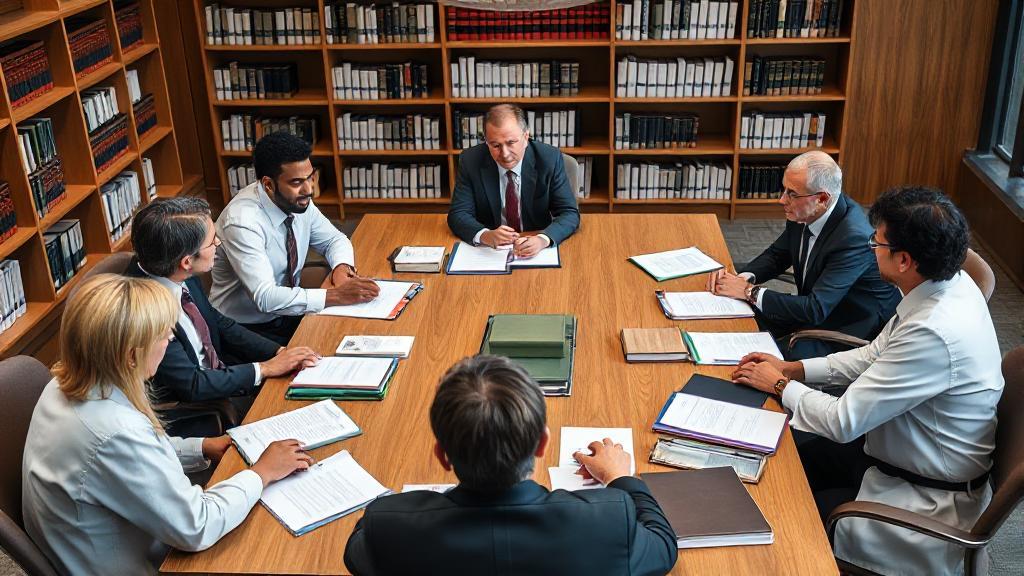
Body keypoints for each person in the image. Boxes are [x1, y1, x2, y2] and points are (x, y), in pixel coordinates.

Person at [731, 186, 1003, 576]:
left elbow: (843, 422)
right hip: (894, 448)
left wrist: (778, 386)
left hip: (919, 497)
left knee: (780, 514)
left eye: (876, 242)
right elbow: (874, 354)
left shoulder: (934, 331)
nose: (869, 247)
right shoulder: (946, 285)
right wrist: (796, 371)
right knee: (777, 457)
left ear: (905, 260)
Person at [21, 274, 316, 575]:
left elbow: (133, 454)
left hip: (109, 538)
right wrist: (261, 473)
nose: (171, 340)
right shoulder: (117, 431)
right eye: (164, 334)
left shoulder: (66, 384)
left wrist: (200, 447)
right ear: (131, 356)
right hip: (144, 562)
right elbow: (196, 526)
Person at [344, 355, 677, 576]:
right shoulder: (610, 518)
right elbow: (663, 544)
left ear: (442, 455)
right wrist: (620, 478)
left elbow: (358, 554)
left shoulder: (387, 526)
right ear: (543, 443)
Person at [127, 197, 320, 436]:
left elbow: (217, 322)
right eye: (212, 241)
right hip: (195, 409)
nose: (219, 242)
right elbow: (192, 385)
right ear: (186, 261)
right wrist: (265, 369)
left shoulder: (173, 271)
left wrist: (278, 352)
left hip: (226, 373)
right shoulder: (142, 310)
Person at [707, 151, 900, 360]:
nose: (782, 200)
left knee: (755, 360)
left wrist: (749, 292)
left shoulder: (853, 239)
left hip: (845, 329)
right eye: (784, 189)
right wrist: (742, 278)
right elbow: (778, 255)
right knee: (732, 317)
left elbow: (816, 309)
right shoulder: (805, 209)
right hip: (811, 308)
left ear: (822, 198)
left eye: (792, 193)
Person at [211, 132, 380, 346]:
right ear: (269, 185)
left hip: (290, 313)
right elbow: (265, 297)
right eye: (297, 182)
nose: (308, 190)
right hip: (245, 329)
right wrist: (335, 296)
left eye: (310, 177)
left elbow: (334, 240)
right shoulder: (242, 222)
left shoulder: (296, 200)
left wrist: (341, 268)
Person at [447, 104, 580, 258]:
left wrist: (543, 239)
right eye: (495, 145)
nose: (505, 154)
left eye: (511, 143)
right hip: (491, 251)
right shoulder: (471, 161)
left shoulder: (549, 159)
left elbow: (569, 213)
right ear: (487, 142)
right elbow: (458, 214)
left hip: (534, 245)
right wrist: (485, 235)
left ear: (526, 137)